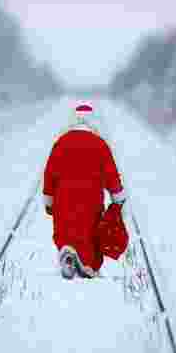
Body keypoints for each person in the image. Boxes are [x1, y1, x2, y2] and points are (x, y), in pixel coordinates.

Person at [42, 102, 126, 279]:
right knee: (89, 234)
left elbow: (49, 174)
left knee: (64, 230)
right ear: (93, 122)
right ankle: (88, 266)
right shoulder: (100, 144)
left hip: (62, 200)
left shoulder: (61, 142)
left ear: (72, 120)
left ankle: (67, 253)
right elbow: (112, 175)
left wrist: (49, 202)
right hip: (91, 201)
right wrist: (118, 197)